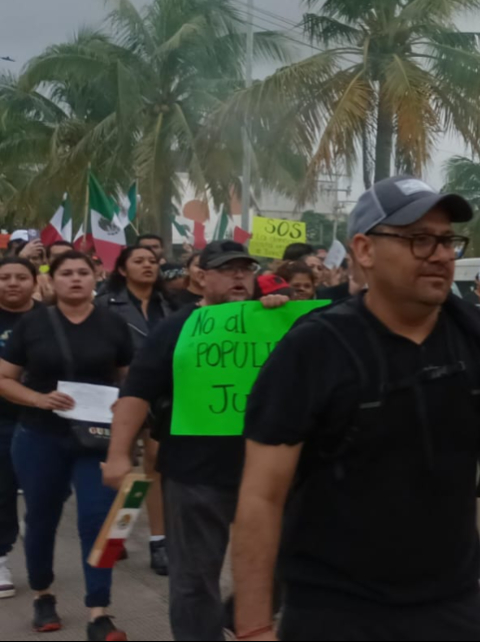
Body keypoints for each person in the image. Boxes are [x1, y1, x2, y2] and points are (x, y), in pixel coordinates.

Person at [232, 176, 480, 641]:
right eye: (419, 239)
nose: (440, 254)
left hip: (452, 602)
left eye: (446, 240)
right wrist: (254, 628)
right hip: (336, 611)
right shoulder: (314, 349)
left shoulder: (474, 340)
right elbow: (261, 497)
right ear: (364, 250)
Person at [103, 240, 288, 641]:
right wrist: (119, 454)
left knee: (289, 564)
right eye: (227, 269)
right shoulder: (176, 328)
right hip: (194, 473)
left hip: (268, 473)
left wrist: (283, 314)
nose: (239, 276)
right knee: (193, 579)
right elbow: (136, 392)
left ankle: (238, 612)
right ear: (202, 277)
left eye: (245, 269)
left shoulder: (277, 321)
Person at [0, 251, 134, 641]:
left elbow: (130, 381)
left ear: (96, 277)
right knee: (42, 518)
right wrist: (38, 398)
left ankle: (100, 611)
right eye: (66, 273)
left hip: (96, 439)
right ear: (52, 281)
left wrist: (121, 399)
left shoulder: (113, 324)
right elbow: (5, 378)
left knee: (100, 522)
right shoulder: (33, 324)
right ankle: (43, 594)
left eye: (83, 273)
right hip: (40, 436)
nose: (75, 279)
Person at [97, 245, 176, 577]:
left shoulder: (171, 305)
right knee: (120, 465)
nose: (148, 266)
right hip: (118, 396)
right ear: (123, 269)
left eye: (152, 261)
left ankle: (160, 541)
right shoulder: (104, 305)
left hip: (162, 397)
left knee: (156, 462)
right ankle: (116, 536)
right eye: (139, 261)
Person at [0, 257, 39, 601]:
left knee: (49, 489)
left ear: (34, 281)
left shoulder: (50, 317)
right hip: (2, 418)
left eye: (20, 277)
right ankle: (1, 554)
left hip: (47, 418)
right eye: (5, 277)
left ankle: (34, 530)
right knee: (2, 488)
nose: (13, 283)